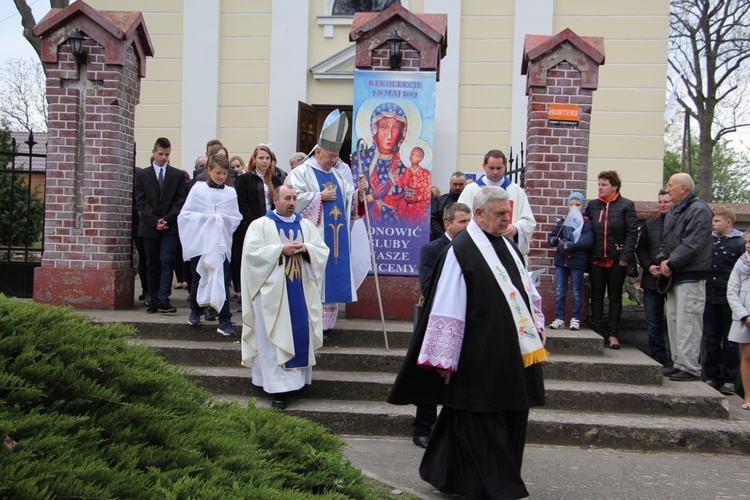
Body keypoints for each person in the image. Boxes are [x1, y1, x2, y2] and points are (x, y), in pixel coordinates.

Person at [388, 186, 547, 498]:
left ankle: (447, 475)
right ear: (479, 214)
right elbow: (447, 304)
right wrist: (443, 361)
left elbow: (525, 290)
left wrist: (536, 324)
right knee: (480, 418)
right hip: (478, 356)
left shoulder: (507, 245)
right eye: (500, 213)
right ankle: (498, 487)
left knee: (499, 415)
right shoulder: (461, 250)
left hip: (511, 354)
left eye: (508, 212)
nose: (506, 219)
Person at [240, 185, 330, 410]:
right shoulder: (260, 225)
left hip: (300, 290)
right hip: (271, 294)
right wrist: (280, 250)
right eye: (287, 198)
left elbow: (322, 250)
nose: (291, 202)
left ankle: (297, 382)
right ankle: (278, 389)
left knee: (300, 334)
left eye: (294, 198)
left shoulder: (306, 225)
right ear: (275, 200)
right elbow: (251, 255)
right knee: (272, 340)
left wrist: (307, 248)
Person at [285, 109, 367, 330]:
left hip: (336, 240)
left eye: (335, 157)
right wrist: (318, 196)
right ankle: (308, 326)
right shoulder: (301, 173)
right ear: (318, 151)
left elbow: (349, 199)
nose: (333, 160)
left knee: (331, 279)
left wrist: (359, 193)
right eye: (330, 156)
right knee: (312, 280)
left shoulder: (338, 175)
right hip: (312, 239)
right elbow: (291, 200)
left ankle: (325, 328)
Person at [411, 202, 471, 449]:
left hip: (465, 321)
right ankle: (422, 428)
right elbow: (428, 284)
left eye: (470, 221)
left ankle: (451, 430)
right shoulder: (432, 249)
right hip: (436, 321)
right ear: (447, 224)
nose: (468, 226)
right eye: (462, 222)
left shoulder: (475, 249)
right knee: (430, 377)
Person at [178, 154, 242, 335]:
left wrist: (223, 219)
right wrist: (205, 218)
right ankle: (195, 310)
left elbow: (236, 217)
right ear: (209, 171)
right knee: (199, 276)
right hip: (202, 241)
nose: (221, 177)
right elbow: (185, 214)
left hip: (221, 243)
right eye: (218, 173)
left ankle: (225, 319)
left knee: (222, 278)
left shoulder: (230, 192)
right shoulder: (198, 190)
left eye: (224, 173)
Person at [658, 173, 713, 381]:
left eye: (671, 185)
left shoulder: (699, 210)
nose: (668, 188)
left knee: (688, 321)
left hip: (690, 274)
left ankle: (690, 367)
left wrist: (670, 263)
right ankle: (679, 362)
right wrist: (662, 259)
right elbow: (665, 240)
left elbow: (692, 244)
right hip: (675, 275)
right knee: (674, 320)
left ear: (683, 188)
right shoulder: (674, 211)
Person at [584, 170, 638, 349]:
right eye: (599, 184)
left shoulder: (626, 205)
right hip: (596, 258)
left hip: (616, 259)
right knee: (597, 295)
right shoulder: (592, 206)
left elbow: (632, 233)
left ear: (614, 186)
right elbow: (584, 228)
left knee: (615, 296)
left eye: (604, 185)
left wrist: (625, 256)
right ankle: (598, 332)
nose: (600, 188)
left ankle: (614, 334)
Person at [133, 137, 186, 314]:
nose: (164, 157)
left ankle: (164, 299)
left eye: (167, 154)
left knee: (167, 260)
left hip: (170, 227)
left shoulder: (177, 175)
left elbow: (180, 201)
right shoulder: (142, 175)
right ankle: (153, 299)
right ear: (154, 152)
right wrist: (154, 220)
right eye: (161, 154)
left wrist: (168, 219)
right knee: (152, 263)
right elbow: (140, 201)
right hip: (149, 227)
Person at [458, 150, 536, 256]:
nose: (495, 172)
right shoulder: (470, 190)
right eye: (491, 168)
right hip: (478, 248)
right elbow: (461, 217)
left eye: (499, 168)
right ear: (484, 166)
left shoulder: (517, 191)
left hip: (507, 248)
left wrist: (516, 228)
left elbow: (528, 220)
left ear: (505, 166)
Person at [703, 206, 745, 394]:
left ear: (728, 222)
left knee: (730, 341)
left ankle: (729, 378)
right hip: (710, 295)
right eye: (713, 221)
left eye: (717, 221)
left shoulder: (739, 243)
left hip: (729, 298)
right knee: (711, 338)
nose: (713, 224)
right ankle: (711, 375)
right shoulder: (709, 241)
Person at [235, 144, 283, 303]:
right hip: (252, 224)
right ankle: (250, 296)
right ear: (254, 160)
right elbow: (242, 202)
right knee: (254, 260)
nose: (264, 161)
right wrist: (255, 220)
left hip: (273, 224)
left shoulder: (275, 179)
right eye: (261, 158)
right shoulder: (245, 179)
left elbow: (278, 202)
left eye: (267, 158)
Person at [635, 189, 673, 365]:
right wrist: (649, 266)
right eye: (660, 202)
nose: (663, 205)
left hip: (673, 279)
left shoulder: (679, 223)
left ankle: (676, 358)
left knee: (676, 321)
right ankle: (658, 356)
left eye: (666, 201)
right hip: (652, 280)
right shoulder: (650, 224)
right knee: (653, 321)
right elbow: (640, 248)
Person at [354, 102, 408, 222]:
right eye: (383, 127)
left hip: (400, 226)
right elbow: (351, 200)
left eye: (396, 128)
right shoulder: (361, 159)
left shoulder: (406, 163)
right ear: (374, 129)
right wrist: (372, 196)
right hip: (369, 223)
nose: (389, 135)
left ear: (402, 133)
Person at [547, 192, 594, 331]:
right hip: (562, 261)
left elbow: (588, 241)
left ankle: (575, 318)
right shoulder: (563, 221)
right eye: (571, 204)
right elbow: (554, 235)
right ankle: (559, 318)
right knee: (560, 290)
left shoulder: (586, 223)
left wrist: (572, 246)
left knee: (576, 291)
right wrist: (553, 240)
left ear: (582, 206)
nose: (574, 207)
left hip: (577, 262)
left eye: (577, 205)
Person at [727, 230, 750, 410]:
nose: (747, 246)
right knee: (747, 354)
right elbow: (732, 291)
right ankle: (748, 397)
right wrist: (745, 315)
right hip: (745, 317)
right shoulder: (741, 263)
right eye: (747, 242)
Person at [393, 146, 432, 223]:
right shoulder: (408, 171)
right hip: (409, 196)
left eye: (416, 156)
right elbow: (402, 184)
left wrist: (418, 198)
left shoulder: (426, 173)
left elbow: (427, 191)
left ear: (421, 159)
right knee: (402, 203)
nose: (412, 157)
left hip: (420, 199)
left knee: (413, 208)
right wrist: (395, 173)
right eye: (411, 154)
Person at [430, 171, 466, 241]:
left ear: (465, 185)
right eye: (455, 184)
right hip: (442, 239)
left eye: (461, 184)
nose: (458, 187)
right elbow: (433, 219)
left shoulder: (471, 200)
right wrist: (444, 235)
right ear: (450, 184)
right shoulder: (441, 200)